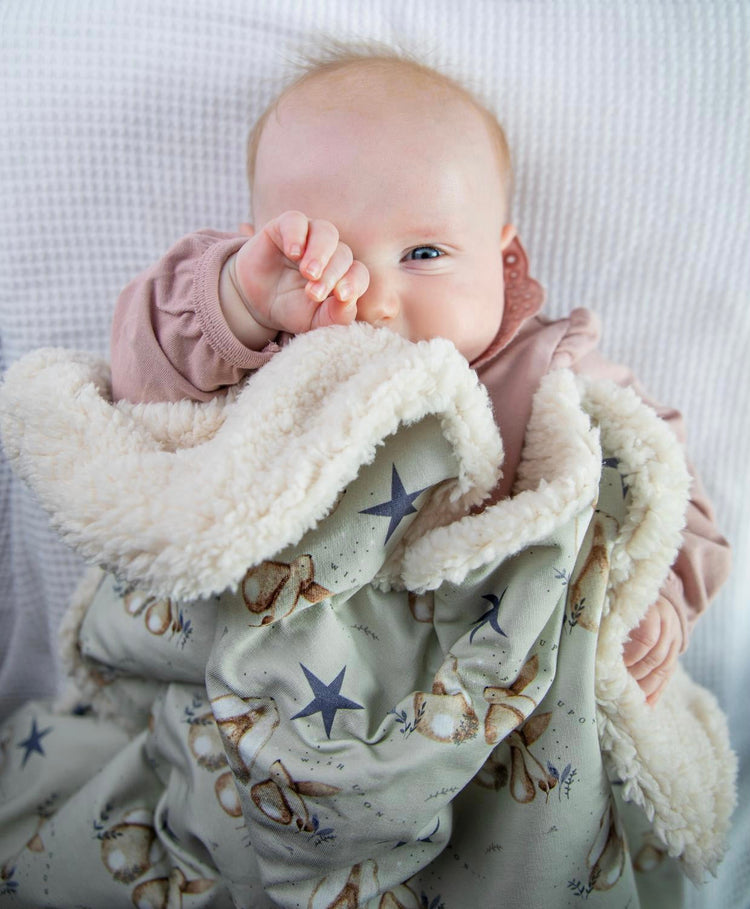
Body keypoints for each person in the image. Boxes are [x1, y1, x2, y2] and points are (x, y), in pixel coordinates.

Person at [110, 44, 730, 706]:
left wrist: (658, 594)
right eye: (327, 260)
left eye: (425, 253)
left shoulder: (548, 376)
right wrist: (238, 296)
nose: (374, 301)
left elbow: (661, 482)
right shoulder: (262, 351)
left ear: (505, 258)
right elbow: (142, 388)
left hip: (484, 696)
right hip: (281, 682)